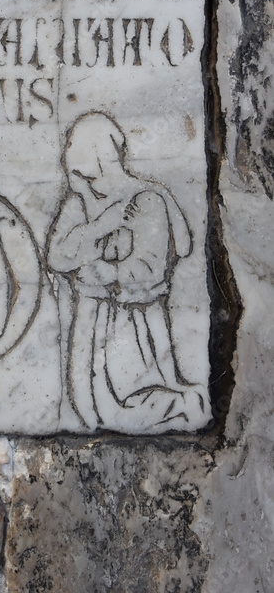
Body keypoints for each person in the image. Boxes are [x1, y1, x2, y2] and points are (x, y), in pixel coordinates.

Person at [46, 112, 204, 431]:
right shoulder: (79, 203)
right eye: (79, 173)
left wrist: (108, 273)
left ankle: (188, 405)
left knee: (134, 404)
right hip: (89, 320)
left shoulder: (146, 200)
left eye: (88, 171)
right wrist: (103, 224)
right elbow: (57, 257)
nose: (87, 182)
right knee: (89, 409)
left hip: (134, 320)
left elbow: (151, 266)